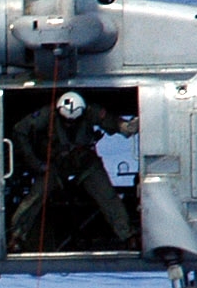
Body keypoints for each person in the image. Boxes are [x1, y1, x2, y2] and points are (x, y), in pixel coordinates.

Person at [8, 91, 138, 251]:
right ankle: (16, 236)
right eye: (66, 121)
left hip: (85, 163)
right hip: (54, 164)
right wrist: (35, 163)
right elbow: (20, 130)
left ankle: (128, 236)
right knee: (35, 197)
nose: (70, 124)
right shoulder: (46, 114)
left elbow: (109, 121)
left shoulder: (90, 111)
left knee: (108, 197)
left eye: (74, 122)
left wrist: (124, 126)